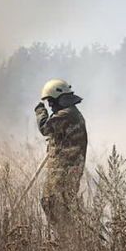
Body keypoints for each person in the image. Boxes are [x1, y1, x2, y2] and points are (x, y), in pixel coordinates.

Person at [35, 79, 87, 231]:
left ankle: (66, 236)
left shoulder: (65, 114)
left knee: (52, 203)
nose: (50, 106)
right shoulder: (72, 113)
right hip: (68, 168)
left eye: (51, 102)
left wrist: (40, 111)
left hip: (64, 169)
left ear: (61, 98)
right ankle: (69, 236)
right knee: (61, 205)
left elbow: (45, 128)